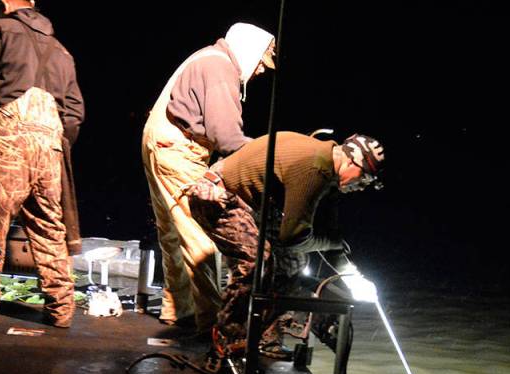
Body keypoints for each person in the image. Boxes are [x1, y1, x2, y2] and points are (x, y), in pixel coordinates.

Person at [187, 131, 384, 356]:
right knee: (256, 262)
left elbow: (330, 240)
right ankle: (226, 337)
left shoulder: (330, 177)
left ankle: (265, 338)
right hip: (215, 194)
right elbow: (292, 237)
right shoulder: (315, 169)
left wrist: (355, 279)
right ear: (351, 160)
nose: (361, 186)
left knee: (292, 262)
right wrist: (329, 243)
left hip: (248, 204)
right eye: (364, 178)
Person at [0, 0, 85, 328]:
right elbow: (75, 114)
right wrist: (55, 139)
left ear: (7, 4)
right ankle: (61, 310)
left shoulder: (1, 28)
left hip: (11, 139)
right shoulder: (63, 51)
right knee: (49, 226)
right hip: (50, 144)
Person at [142, 23, 276, 333]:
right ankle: (212, 323)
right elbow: (226, 137)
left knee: (173, 233)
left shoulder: (206, 57)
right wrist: (268, 155)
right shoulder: (220, 67)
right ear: (250, 53)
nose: (259, 72)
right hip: (177, 149)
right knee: (201, 234)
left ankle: (178, 311)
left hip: (160, 141)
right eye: (261, 64)